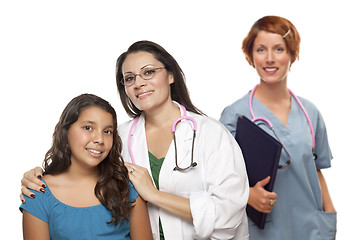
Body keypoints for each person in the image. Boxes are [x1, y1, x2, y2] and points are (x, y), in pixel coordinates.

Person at [20, 41, 250, 239]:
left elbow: (229, 214)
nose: (139, 83)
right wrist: (36, 176)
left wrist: (154, 195)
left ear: (170, 75)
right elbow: (77, 172)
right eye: (129, 78)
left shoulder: (211, 134)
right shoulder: (115, 138)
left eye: (148, 72)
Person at [219, 16, 337, 239]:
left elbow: (316, 171)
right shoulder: (235, 116)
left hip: (312, 229)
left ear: (292, 55)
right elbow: (217, 180)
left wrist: (330, 218)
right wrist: (246, 195)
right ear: (250, 56)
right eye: (261, 50)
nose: (270, 59)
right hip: (264, 232)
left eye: (279, 49)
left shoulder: (310, 112)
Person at [20, 94, 152, 239]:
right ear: (66, 131)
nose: (99, 139)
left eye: (107, 131)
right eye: (88, 128)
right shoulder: (38, 192)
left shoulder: (126, 187)